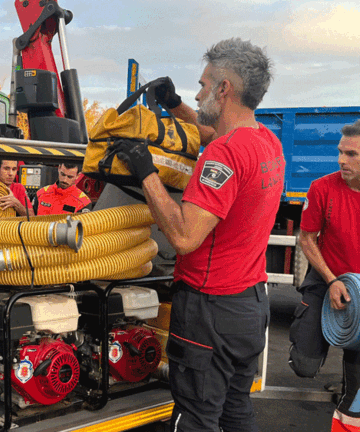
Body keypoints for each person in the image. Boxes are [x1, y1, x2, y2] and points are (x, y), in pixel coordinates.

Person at [111, 38, 283, 431]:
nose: (198, 91)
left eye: (204, 85)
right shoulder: (266, 140)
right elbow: (211, 132)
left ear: (224, 89)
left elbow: (185, 237)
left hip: (210, 310)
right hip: (250, 306)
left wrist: (145, 171)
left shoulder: (223, 155)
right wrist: (173, 105)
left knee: (196, 418)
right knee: (236, 410)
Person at [288, 120, 360, 432]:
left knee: (357, 387)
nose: (342, 160)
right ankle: (307, 345)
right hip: (326, 277)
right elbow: (307, 239)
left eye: (352, 154)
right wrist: (332, 281)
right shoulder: (323, 188)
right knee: (304, 366)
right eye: (340, 152)